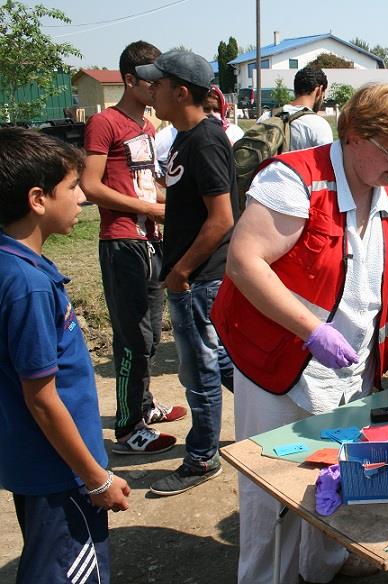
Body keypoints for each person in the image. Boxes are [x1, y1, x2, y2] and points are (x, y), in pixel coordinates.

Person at [211, 84, 388, 584]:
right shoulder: (295, 179)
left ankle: (322, 566)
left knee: (334, 471)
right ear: (354, 135)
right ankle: (265, 577)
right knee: (272, 483)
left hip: (350, 366)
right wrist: (312, 329)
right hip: (280, 362)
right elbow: (245, 263)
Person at [0, 128, 131, 583]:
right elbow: (41, 397)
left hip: (43, 463)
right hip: (62, 473)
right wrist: (95, 478)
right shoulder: (28, 286)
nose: (82, 199)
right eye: (72, 188)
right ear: (38, 199)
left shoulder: (15, 264)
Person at [136, 50, 238, 495]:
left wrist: (181, 271)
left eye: (157, 84)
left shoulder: (204, 139)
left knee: (200, 374)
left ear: (180, 91)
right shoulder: (183, 137)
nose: (150, 90)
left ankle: (200, 459)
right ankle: (282, 414)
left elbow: (222, 218)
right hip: (196, 277)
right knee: (224, 364)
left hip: (199, 279)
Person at [81, 40, 184, 456]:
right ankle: (127, 428)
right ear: (130, 80)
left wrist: (169, 203)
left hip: (150, 240)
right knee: (131, 340)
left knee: (150, 336)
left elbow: (148, 180)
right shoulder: (105, 123)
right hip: (123, 242)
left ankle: (142, 405)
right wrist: (148, 208)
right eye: (151, 81)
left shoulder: (146, 127)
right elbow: (91, 186)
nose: (158, 88)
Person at [155, 84, 246, 166]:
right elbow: (153, 156)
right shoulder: (175, 131)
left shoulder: (234, 132)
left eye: (216, 109)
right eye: (206, 109)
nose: (212, 114)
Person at [278, 65, 334, 150]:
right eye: (323, 96)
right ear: (319, 90)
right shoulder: (319, 125)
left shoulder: (266, 117)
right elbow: (326, 161)